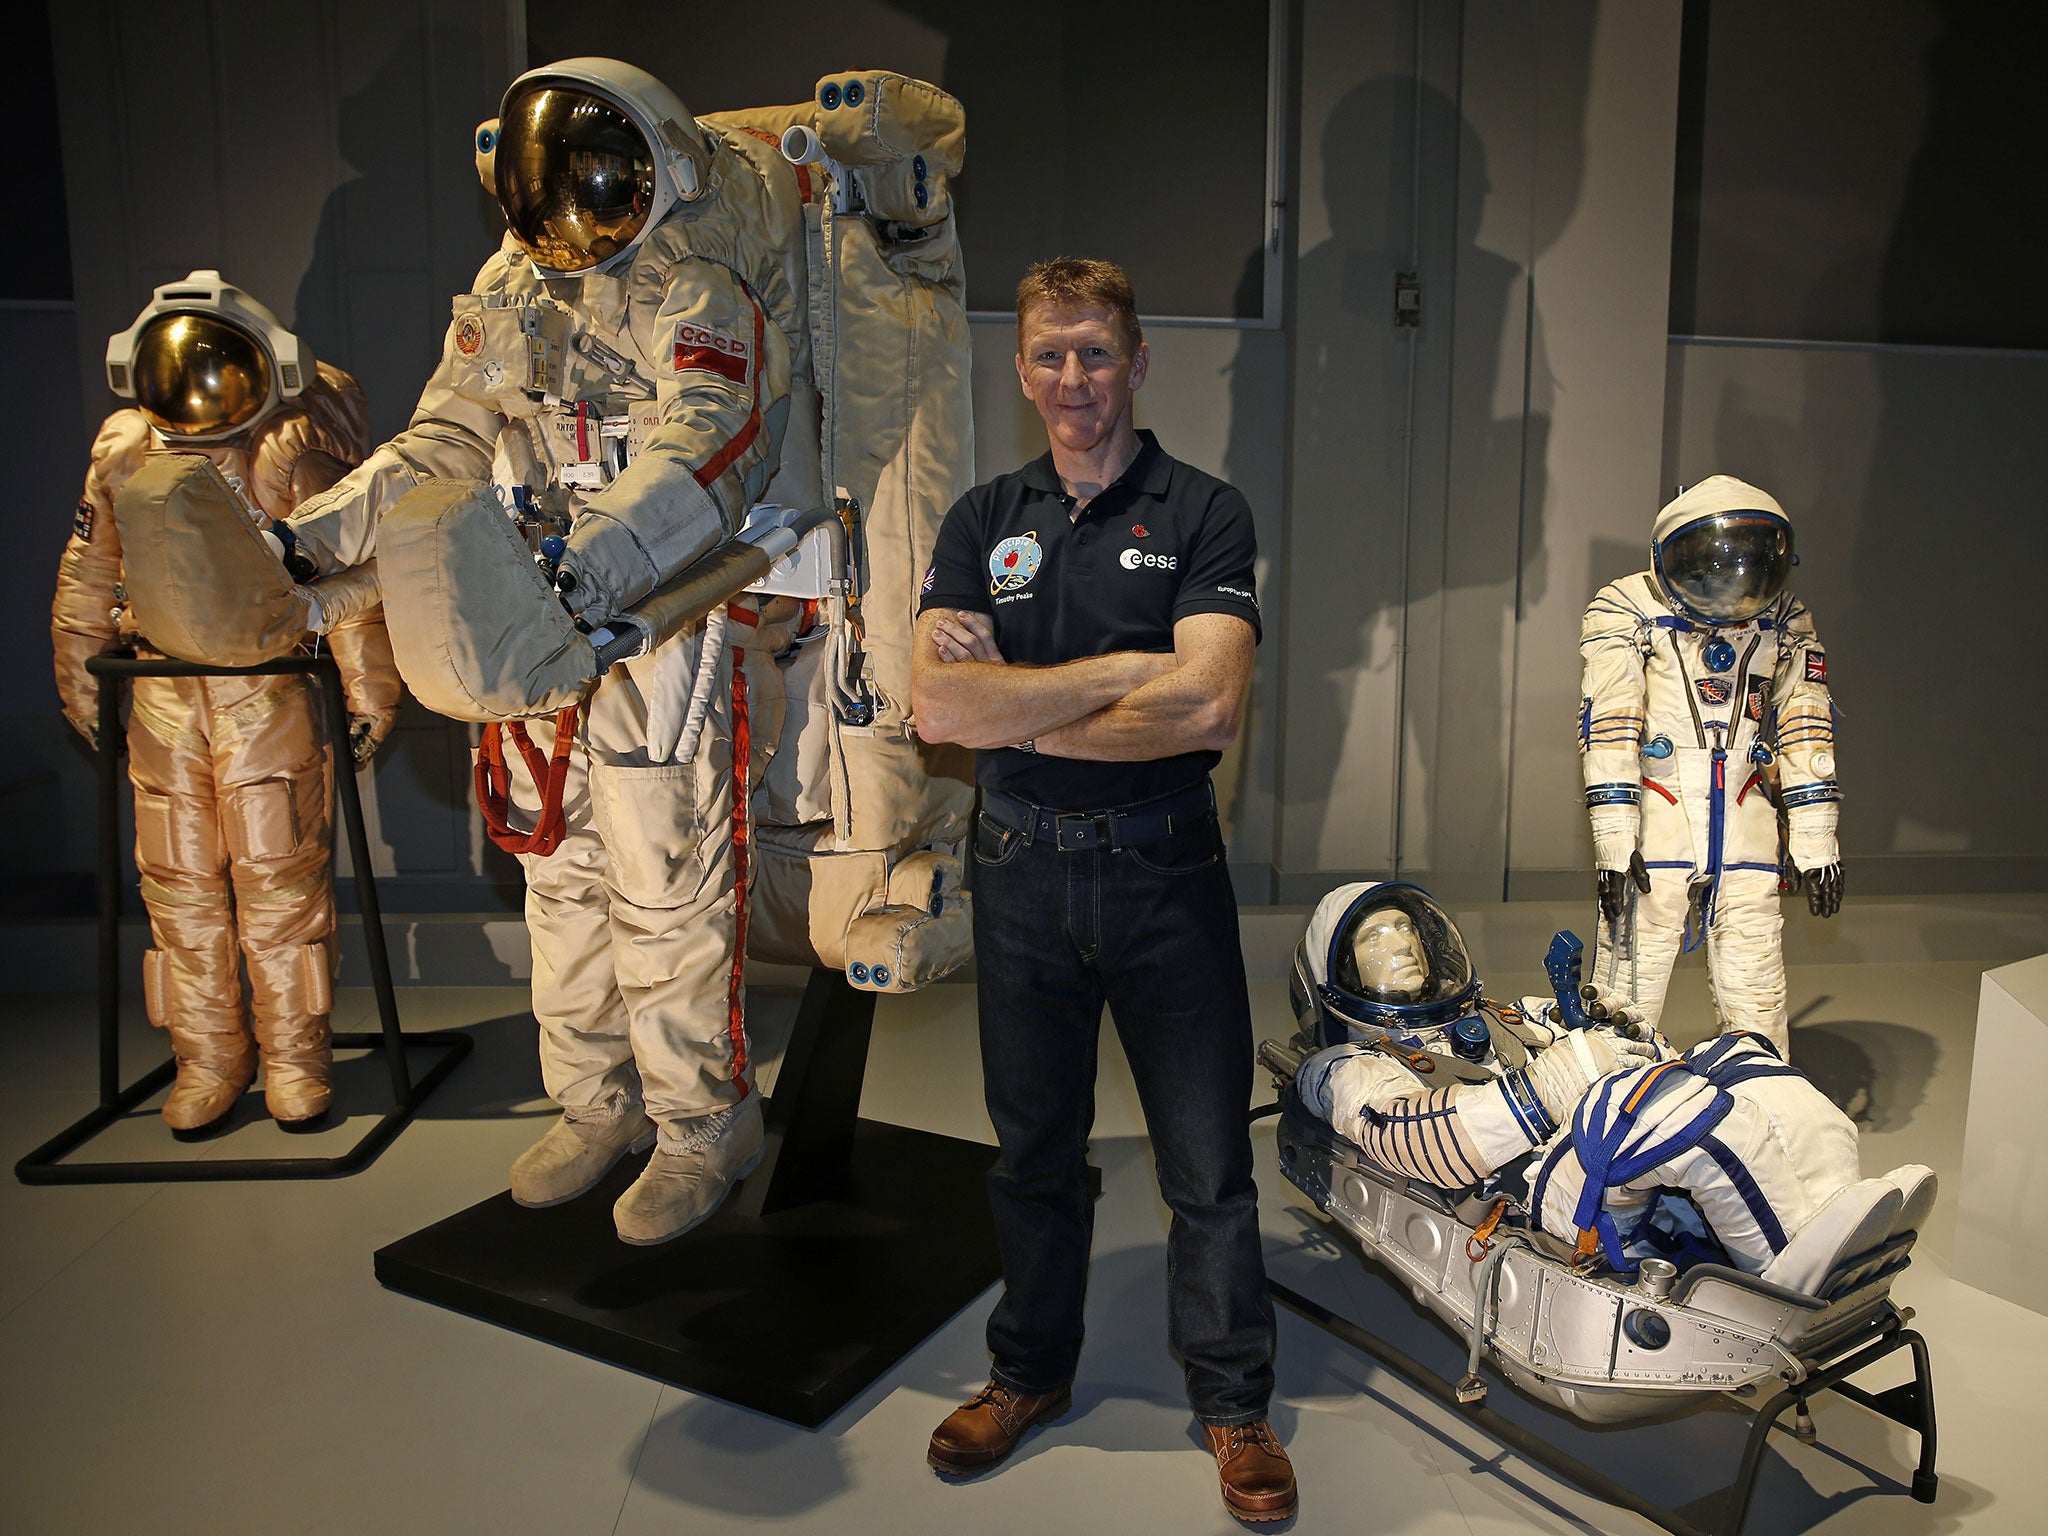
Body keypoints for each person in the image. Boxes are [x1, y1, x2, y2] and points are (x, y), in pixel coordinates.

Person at [283, 58, 815, 1244]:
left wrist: (585, 572)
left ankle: (700, 1127)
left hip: (654, 618)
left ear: (659, 170)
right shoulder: (511, 289)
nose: (569, 220)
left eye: (592, 188)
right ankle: (595, 1104)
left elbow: (706, 449)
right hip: (524, 609)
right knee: (555, 872)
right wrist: (309, 541)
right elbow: (442, 441)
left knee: (664, 884)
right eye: (544, 192)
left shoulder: (700, 292)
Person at [912, 257, 1293, 1524]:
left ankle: (1233, 1407)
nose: (1070, 379)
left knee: (1203, 1163)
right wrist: (1119, 671)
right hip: (1016, 874)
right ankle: (1024, 1376)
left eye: (1092, 352)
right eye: (1046, 356)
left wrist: (1020, 707)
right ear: (1018, 370)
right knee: (1030, 1156)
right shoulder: (981, 521)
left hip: (1162, 869)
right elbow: (934, 706)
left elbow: (1209, 702)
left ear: (1134, 362)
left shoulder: (1202, 512)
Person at [52, 271, 398, 1135]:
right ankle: (208, 1059)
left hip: (264, 688)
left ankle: (293, 1060)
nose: (198, 389)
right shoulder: (126, 449)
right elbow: (90, 570)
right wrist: (81, 681)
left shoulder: (289, 445)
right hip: (162, 690)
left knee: (280, 881)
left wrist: (368, 686)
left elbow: (344, 565)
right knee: (179, 888)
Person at [1578, 476, 1844, 1057]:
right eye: (1710, 565)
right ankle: (1606, 1107)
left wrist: (1816, 840)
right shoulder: (1627, 607)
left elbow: (1806, 726)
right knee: (1631, 979)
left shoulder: (1785, 620)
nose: (1730, 583)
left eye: (1747, 564)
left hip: (1745, 808)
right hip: (1659, 807)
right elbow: (1612, 725)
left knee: (1756, 979)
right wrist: (1614, 842)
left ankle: (1762, 1099)